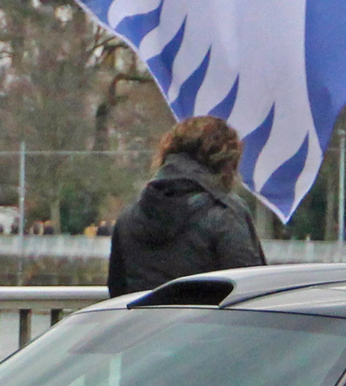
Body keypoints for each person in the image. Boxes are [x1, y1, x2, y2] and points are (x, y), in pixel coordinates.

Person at [105, 115, 267, 297]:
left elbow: (118, 292)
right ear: (227, 162)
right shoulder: (225, 211)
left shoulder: (129, 216)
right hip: (208, 324)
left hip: (146, 324)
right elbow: (251, 291)